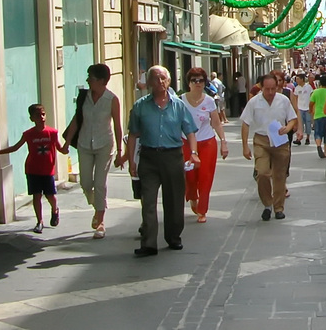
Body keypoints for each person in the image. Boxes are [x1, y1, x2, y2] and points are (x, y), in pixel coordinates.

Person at [127, 65, 199, 256]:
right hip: (149, 157)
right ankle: (148, 243)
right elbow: (133, 134)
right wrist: (131, 160)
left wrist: (193, 152)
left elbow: (190, 131)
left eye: (163, 78)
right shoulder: (140, 106)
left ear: (169, 81)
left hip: (172, 156)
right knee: (148, 200)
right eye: (156, 78)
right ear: (149, 82)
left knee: (174, 199)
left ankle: (174, 237)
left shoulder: (178, 105)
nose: (160, 82)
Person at [0, 104, 68, 234]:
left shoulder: (52, 133)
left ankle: (55, 210)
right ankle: (39, 222)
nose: (41, 117)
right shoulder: (28, 134)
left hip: (47, 170)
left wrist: (66, 148)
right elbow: (15, 147)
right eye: (38, 115)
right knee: (36, 196)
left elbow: (60, 148)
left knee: (50, 196)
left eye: (43, 114)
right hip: (32, 170)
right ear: (32, 118)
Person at [67, 63, 124, 239]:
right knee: (85, 183)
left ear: (101, 81)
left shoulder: (111, 99)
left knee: (99, 183)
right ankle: (97, 205)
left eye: (90, 77)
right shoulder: (84, 96)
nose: (87, 80)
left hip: (104, 145)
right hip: (84, 143)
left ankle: (100, 221)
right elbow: (77, 120)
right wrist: (66, 142)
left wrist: (121, 150)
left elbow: (117, 125)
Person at [240, 72, 297, 221]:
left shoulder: (283, 100)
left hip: (280, 141)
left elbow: (292, 118)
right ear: (261, 87)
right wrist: (245, 146)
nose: (271, 92)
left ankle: (279, 208)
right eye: (267, 89)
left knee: (279, 175)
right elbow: (245, 123)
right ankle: (267, 203)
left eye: (273, 88)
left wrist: (288, 127)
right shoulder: (254, 102)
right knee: (262, 173)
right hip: (262, 140)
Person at [181, 68, 229, 223]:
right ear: (188, 83)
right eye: (194, 80)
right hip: (186, 143)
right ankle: (192, 196)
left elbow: (216, 123)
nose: (197, 83)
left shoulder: (209, 101)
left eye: (201, 80)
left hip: (207, 142)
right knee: (190, 176)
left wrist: (223, 142)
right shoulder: (180, 101)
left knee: (205, 177)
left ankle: (202, 210)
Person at [309, 75, 326, 159]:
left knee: (318, 133)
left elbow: (311, 103)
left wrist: (310, 110)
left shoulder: (315, 92)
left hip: (318, 115)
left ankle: (318, 146)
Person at [294, 74, 314, 146]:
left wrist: (312, 107)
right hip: (300, 108)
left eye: (298, 79)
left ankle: (307, 137)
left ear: (302, 79)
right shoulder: (296, 88)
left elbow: (312, 96)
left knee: (308, 123)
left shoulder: (308, 87)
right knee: (300, 124)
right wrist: (296, 108)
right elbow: (295, 98)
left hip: (307, 108)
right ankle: (298, 138)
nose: (297, 80)